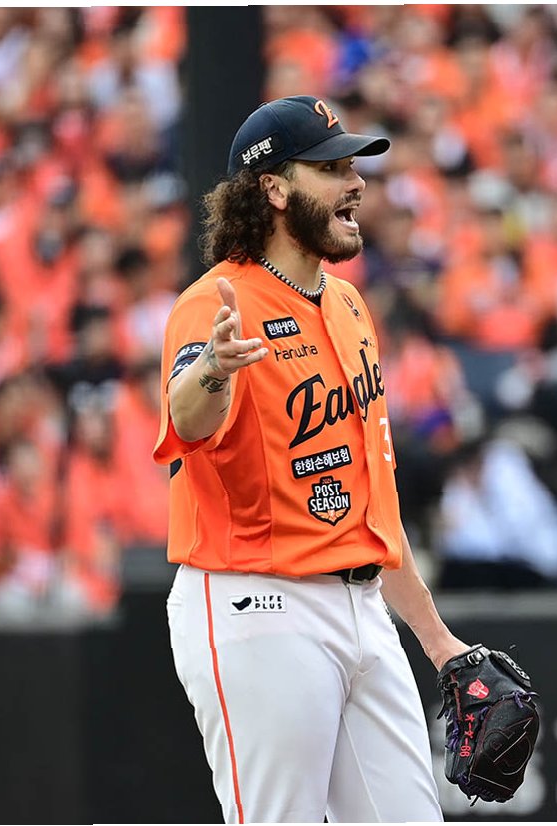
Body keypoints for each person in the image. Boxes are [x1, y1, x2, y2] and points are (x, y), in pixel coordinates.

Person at [153, 96, 469, 824]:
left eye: (353, 166)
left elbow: (375, 502)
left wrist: (437, 641)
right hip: (258, 600)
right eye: (330, 168)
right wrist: (213, 371)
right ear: (273, 187)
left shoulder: (350, 305)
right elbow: (186, 420)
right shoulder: (216, 303)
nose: (355, 183)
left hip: (363, 603)